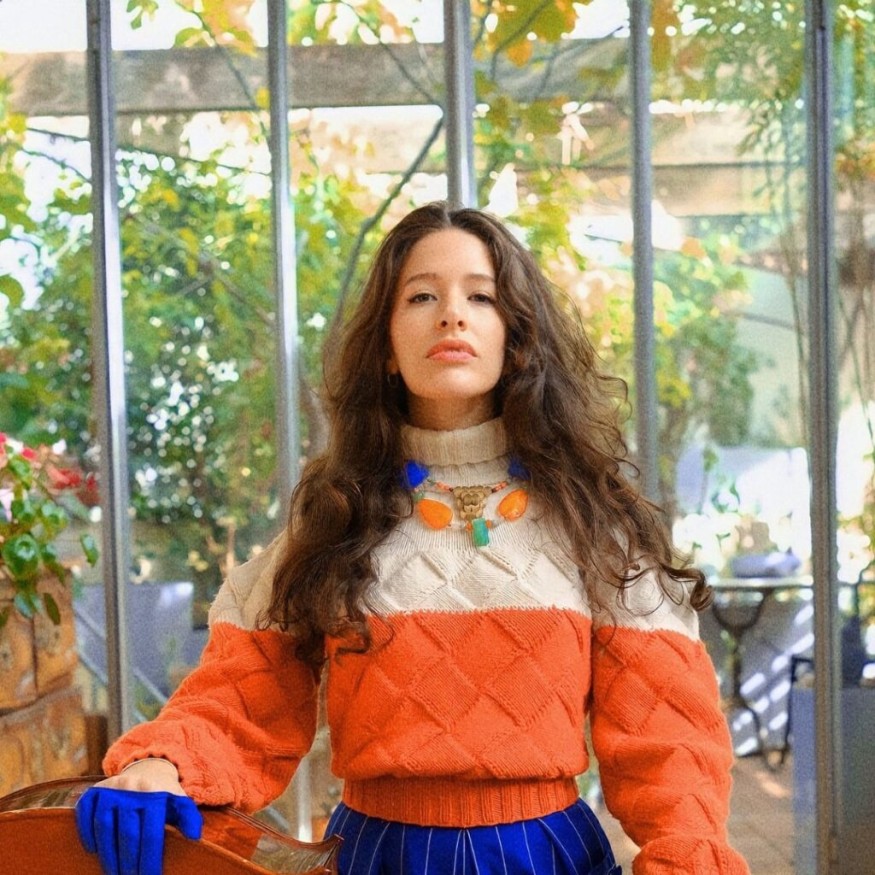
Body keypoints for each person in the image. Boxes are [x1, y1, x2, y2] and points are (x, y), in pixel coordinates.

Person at [75, 201, 750, 875]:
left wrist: (688, 858)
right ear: (387, 348)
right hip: (375, 856)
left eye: (480, 297)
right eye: (421, 295)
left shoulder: (591, 520)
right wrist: (164, 763)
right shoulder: (335, 515)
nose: (451, 314)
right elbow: (241, 698)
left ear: (516, 339)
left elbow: (670, 741)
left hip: (545, 856)